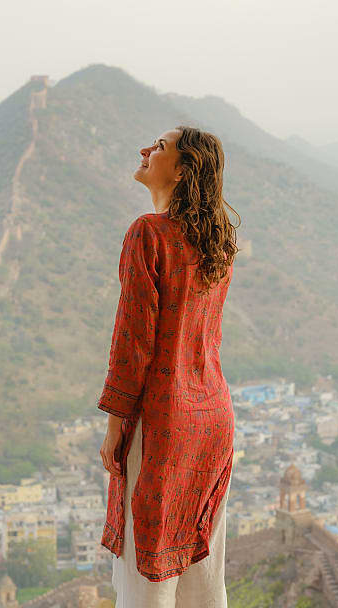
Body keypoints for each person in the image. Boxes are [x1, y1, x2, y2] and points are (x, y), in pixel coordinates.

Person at [97, 125, 240, 607]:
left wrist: (117, 424)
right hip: (213, 421)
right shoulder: (218, 244)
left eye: (159, 147)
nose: (144, 149)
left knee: (147, 582)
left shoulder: (148, 234)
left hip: (163, 422)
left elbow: (133, 340)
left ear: (182, 170)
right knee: (202, 578)